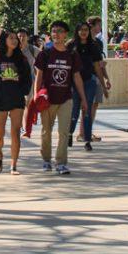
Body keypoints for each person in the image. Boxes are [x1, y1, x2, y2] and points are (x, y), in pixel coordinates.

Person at [33, 20, 88, 176]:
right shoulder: (45, 54)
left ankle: (61, 163)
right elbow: (39, 76)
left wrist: (83, 98)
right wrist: (36, 97)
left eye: (60, 31)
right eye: (54, 31)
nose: (56, 34)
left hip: (66, 98)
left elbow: (77, 77)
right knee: (46, 131)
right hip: (47, 98)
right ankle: (46, 160)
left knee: (64, 132)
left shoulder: (72, 54)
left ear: (66, 34)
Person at [0, 29, 31, 175]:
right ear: (4, 40)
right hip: (0, 100)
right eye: (11, 38)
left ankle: (13, 165)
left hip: (16, 100)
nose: (14, 40)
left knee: (15, 132)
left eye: (15, 38)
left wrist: (24, 91)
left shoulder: (21, 58)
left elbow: (27, 77)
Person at [69, 22, 109, 153]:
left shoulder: (93, 45)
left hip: (89, 81)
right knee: (74, 110)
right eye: (81, 30)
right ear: (77, 31)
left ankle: (87, 140)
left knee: (87, 110)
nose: (83, 32)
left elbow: (97, 66)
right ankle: (69, 134)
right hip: (75, 82)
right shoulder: (71, 45)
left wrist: (103, 86)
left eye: (86, 30)